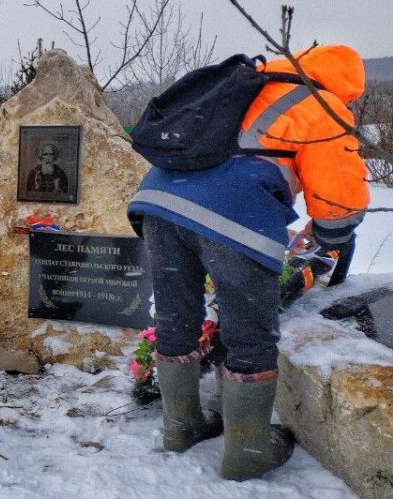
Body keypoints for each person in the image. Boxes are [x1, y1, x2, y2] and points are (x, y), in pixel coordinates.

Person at [128, 44, 369, 481]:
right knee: (249, 332)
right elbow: (339, 198)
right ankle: (248, 450)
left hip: (158, 204)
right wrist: (329, 239)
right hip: (233, 215)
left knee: (177, 317)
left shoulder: (243, 84)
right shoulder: (322, 103)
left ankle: (180, 427)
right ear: (347, 84)